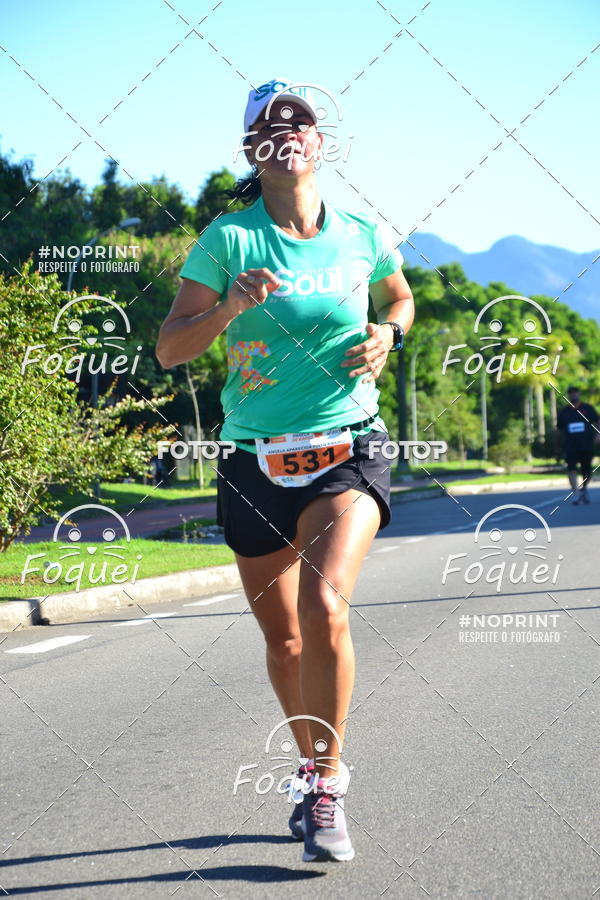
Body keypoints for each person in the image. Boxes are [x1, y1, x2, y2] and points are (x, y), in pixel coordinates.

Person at [156, 78, 414, 863]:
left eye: (300, 123)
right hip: (253, 461)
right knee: (286, 643)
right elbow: (170, 350)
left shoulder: (365, 233)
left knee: (325, 606)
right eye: (270, 126)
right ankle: (308, 769)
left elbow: (399, 299)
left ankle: (330, 784)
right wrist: (228, 308)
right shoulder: (227, 242)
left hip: (348, 449)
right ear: (252, 151)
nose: (287, 134)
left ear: (319, 144)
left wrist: (388, 338)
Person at [556, 385, 599, 504]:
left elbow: (597, 421)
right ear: (568, 395)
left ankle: (584, 489)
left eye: (575, 393)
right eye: (571, 393)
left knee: (587, 470)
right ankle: (575, 492)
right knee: (571, 468)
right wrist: (558, 447)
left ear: (579, 394)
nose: (573, 395)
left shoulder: (588, 408)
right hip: (570, 446)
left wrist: (598, 435)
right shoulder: (564, 411)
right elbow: (559, 430)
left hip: (586, 444)